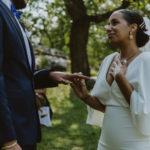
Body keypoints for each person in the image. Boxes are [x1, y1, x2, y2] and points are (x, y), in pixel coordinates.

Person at [0, 0, 89, 150]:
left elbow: (14, 76)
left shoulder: (10, 14)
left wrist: (49, 76)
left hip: (23, 130)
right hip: (9, 134)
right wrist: (7, 140)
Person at [71, 9, 150, 150]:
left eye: (114, 23)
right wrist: (86, 97)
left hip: (135, 144)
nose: (108, 28)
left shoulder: (146, 61)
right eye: (108, 24)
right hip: (105, 144)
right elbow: (108, 107)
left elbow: (145, 112)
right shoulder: (108, 60)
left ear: (133, 27)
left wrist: (120, 78)